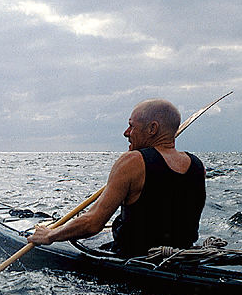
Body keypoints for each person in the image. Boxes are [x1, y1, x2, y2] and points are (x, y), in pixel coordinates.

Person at [27, 98, 206, 257]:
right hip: (182, 256)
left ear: (153, 128)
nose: (126, 132)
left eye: (132, 126)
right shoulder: (197, 165)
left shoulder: (133, 161)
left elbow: (92, 223)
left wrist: (50, 235)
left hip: (134, 258)